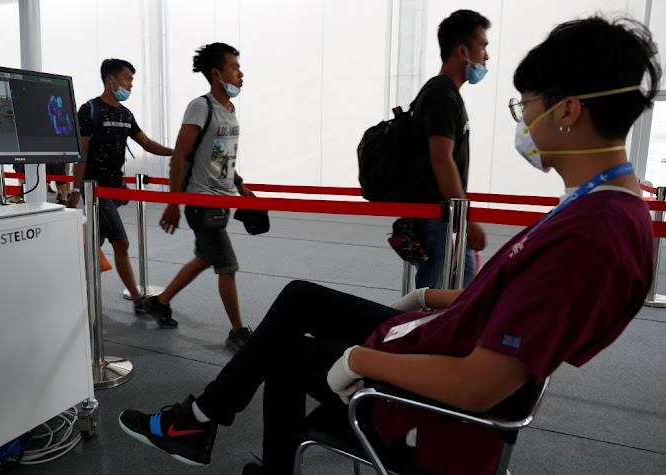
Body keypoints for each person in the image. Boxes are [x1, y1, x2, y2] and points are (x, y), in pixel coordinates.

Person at [118, 15, 660, 474]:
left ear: (567, 111)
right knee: (300, 296)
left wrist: (361, 358)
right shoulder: (594, 205)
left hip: (443, 382)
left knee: (284, 353)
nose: (522, 121)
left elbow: (479, 385)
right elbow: (506, 301)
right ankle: (201, 419)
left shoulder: (596, 231)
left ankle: (206, 424)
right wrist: (426, 300)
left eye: (526, 106)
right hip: (445, 332)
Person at [140, 43, 255, 350]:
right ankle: (237, 332)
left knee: (206, 257)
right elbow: (179, 156)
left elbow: (221, 155)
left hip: (222, 198)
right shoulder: (200, 106)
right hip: (201, 200)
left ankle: (160, 302)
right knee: (227, 265)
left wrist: (240, 184)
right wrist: (173, 203)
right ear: (216, 73)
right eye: (234, 67)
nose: (240, 73)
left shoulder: (229, 109)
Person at [66, 59, 174, 313]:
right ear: (110, 80)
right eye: (127, 79)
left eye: (132, 80)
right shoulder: (90, 109)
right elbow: (82, 152)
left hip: (115, 188)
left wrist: (177, 152)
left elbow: (147, 144)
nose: (130, 85)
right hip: (96, 190)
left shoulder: (125, 114)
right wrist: (76, 189)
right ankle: (138, 299)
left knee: (96, 242)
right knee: (121, 243)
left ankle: (70, 285)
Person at [407, 10, 489, 290]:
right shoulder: (442, 95)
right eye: (483, 46)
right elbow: (441, 159)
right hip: (440, 218)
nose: (486, 56)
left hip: (441, 216)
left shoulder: (444, 93)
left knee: (447, 294)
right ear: (462, 50)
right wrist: (466, 221)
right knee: (440, 298)